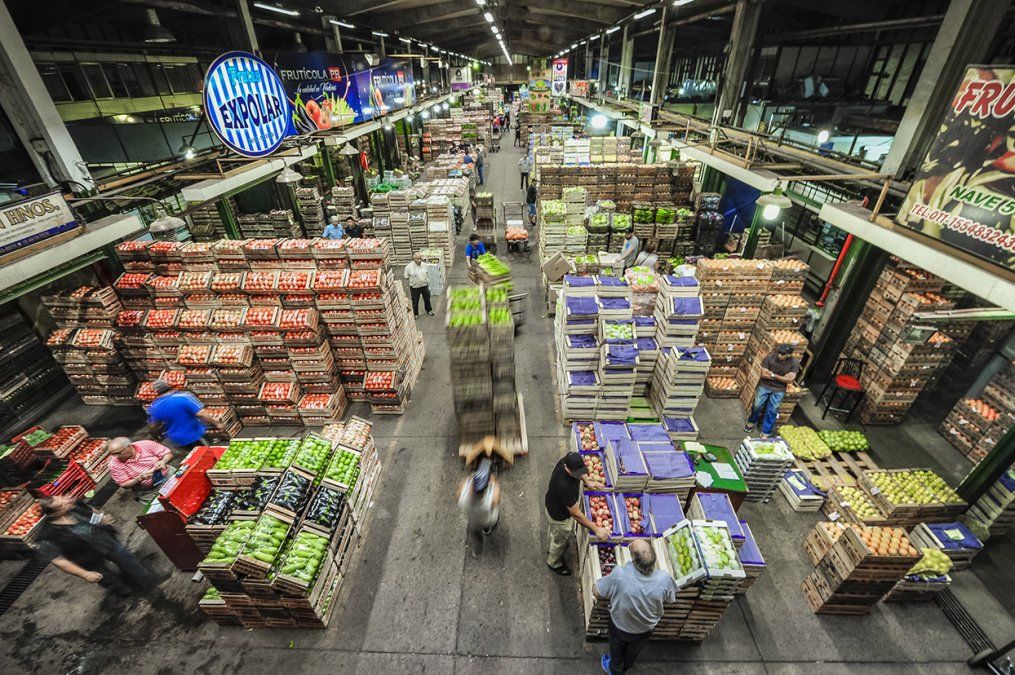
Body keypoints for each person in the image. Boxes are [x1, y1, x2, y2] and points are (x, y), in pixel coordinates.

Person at [35, 495, 157, 597]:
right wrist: (85, 574)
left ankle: (147, 581)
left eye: (62, 499)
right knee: (107, 578)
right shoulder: (46, 536)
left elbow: (93, 513)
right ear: (51, 514)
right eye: (62, 504)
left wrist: (102, 518)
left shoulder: (74, 507)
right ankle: (123, 591)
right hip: (85, 557)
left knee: (128, 560)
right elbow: (59, 561)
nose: (67, 502)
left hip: (105, 541)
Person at [594, 539, 678, 673]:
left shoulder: (620, 574)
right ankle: (626, 666)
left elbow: (598, 592)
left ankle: (615, 669)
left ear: (634, 560)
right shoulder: (664, 578)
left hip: (621, 625)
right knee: (634, 650)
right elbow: (670, 599)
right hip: (646, 628)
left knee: (616, 647)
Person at [545, 452, 609, 576]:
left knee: (555, 533)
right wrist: (596, 529)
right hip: (559, 516)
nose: (579, 475)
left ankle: (552, 543)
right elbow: (576, 514)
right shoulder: (564, 486)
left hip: (551, 503)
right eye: (576, 473)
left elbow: (580, 471)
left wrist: (588, 482)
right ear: (567, 468)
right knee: (560, 539)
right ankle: (553, 562)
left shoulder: (566, 460)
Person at [744, 344, 802, 438]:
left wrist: (773, 375)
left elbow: (790, 379)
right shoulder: (770, 358)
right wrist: (782, 378)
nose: (780, 355)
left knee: (772, 410)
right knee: (757, 405)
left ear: (789, 355)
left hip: (779, 389)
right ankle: (752, 421)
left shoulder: (794, 363)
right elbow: (763, 374)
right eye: (779, 352)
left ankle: (766, 431)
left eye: (783, 354)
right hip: (765, 385)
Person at [148, 380, 219, 452]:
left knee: (193, 457)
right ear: (169, 386)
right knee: (208, 454)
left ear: (156, 392)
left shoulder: (155, 407)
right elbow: (201, 413)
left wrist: (156, 437)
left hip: (177, 439)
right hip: (194, 435)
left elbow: (154, 426)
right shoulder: (184, 397)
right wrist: (217, 423)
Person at [457, 457, 501, 555]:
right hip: (488, 519)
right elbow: (497, 499)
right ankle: (487, 529)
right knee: (491, 522)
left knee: (475, 534)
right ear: (486, 485)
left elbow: (461, 487)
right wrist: (494, 483)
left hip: (474, 521)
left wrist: (471, 478)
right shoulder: (488, 501)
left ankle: (478, 550)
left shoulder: (463, 497)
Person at [107, 437, 174, 500]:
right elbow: (124, 484)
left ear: (129, 446)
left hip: (168, 475)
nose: (116, 457)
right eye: (112, 454)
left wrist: (163, 461)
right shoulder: (113, 465)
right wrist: (140, 478)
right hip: (150, 491)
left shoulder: (146, 444)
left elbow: (168, 454)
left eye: (119, 453)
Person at [404, 252, 434, 317]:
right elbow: (406, 277)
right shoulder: (408, 267)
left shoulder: (425, 265)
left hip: (424, 286)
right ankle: (415, 313)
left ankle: (429, 310)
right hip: (415, 288)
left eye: (420, 258)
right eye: (418, 259)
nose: (419, 260)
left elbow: (428, 274)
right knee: (415, 301)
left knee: (427, 299)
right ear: (414, 259)